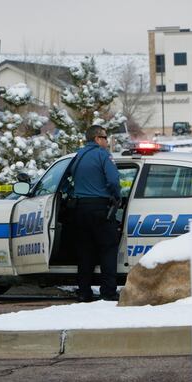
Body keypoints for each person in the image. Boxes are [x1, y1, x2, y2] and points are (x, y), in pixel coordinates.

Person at [70, 125, 122, 302]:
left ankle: (84, 292)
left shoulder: (78, 156)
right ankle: (108, 291)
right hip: (101, 209)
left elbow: (65, 180)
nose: (107, 141)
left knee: (85, 252)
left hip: (80, 210)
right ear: (97, 139)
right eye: (105, 138)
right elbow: (114, 180)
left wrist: (73, 194)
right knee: (108, 248)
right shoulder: (103, 155)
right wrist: (117, 196)